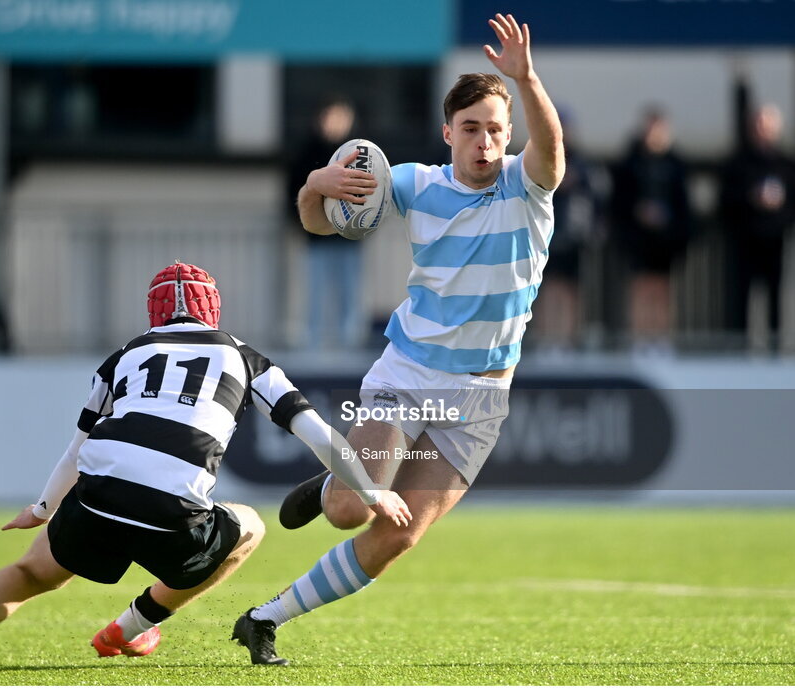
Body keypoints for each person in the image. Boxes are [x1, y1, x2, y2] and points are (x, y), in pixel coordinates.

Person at [234, 13, 564, 663]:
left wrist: (526, 79)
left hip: (481, 398)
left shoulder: (527, 188)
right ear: (449, 133)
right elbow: (319, 225)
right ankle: (333, 487)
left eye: (496, 129)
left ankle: (262, 617)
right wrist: (313, 188)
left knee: (398, 534)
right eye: (470, 128)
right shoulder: (414, 183)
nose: (484, 141)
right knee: (350, 512)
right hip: (409, 373)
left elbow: (551, 150)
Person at [0, 262, 410, 674]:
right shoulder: (245, 357)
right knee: (249, 527)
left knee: (32, 572)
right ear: (213, 310)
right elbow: (317, 432)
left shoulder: (126, 354)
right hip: (172, 517)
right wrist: (369, 492)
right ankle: (130, 626)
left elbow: (79, 446)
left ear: (154, 314)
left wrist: (42, 508)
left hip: (95, 499)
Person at [286, 96, 366, 348]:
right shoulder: (306, 152)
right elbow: (293, 193)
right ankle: (313, 343)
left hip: (349, 240)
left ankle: (350, 342)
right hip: (316, 239)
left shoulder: (360, 155)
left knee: (349, 293)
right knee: (316, 292)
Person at [720, 103, 795, 348]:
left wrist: (780, 213)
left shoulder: (786, 164)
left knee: (776, 295)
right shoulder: (737, 164)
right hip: (745, 239)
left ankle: (776, 346)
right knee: (740, 296)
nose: (762, 131)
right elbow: (725, 202)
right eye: (758, 125)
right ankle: (739, 348)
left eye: (767, 126)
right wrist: (751, 197)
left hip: (775, 239)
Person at [610, 108, 691, 351]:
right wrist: (638, 211)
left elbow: (683, 204)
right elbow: (620, 200)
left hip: (665, 240)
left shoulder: (675, 164)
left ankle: (662, 339)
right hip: (638, 239)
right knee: (641, 288)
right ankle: (641, 339)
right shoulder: (631, 161)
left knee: (663, 289)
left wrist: (670, 223)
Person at [530, 106, 601, 350]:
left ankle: (568, 339)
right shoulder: (536, 157)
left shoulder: (582, 163)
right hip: (545, 234)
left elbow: (593, 198)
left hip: (573, 236)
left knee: (571, 289)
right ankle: (547, 339)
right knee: (547, 288)